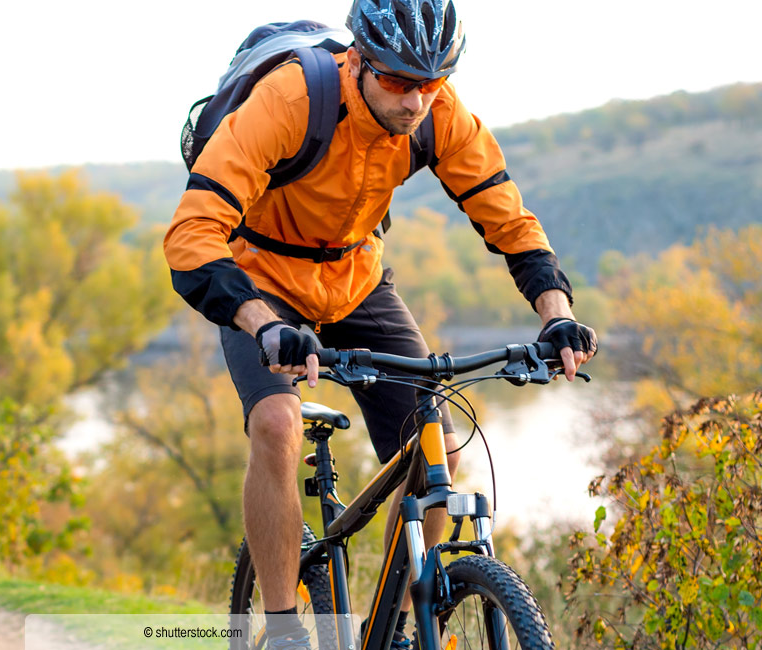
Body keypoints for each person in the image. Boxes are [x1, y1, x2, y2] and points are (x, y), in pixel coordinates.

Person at [162, 0, 598, 647]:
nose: (416, 99)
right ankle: (283, 628)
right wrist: (261, 324)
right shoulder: (291, 100)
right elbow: (192, 236)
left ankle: (390, 627)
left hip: (357, 282)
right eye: (398, 80)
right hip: (262, 281)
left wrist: (557, 314)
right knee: (278, 423)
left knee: (440, 455)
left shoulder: (438, 110)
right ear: (359, 60)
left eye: (431, 82)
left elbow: (508, 219)